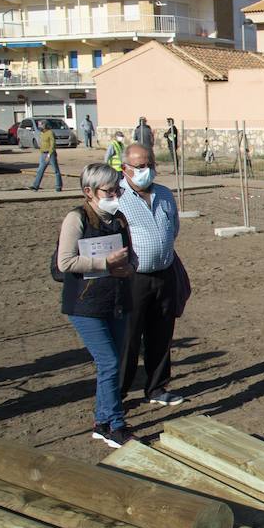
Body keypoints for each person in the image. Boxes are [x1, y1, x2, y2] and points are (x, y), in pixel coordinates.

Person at [58, 164, 134, 446]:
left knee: (113, 363)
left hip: (116, 300)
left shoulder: (119, 219)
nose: (115, 195)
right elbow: (64, 262)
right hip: (85, 303)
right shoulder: (76, 219)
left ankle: (102, 420)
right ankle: (115, 424)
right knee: (109, 362)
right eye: (109, 190)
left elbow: (130, 254)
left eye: (117, 189)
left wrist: (129, 267)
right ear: (89, 192)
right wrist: (105, 263)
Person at [117, 144, 184, 406]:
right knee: (129, 338)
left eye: (150, 165)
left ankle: (157, 387)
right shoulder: (118, 199)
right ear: (125, 169)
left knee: (162, 334)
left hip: (164, 273)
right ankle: (119, 393)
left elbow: (173, 228)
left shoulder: (165, 194)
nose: (147, 170)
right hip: (133, 277)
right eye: (140, 167)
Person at [30, 120, 63, 192]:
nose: (40, 126)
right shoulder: (42, 133)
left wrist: (49, 154)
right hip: (43, 154)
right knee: (40, 170)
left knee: (56, 170)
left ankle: (58, 186)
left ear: (46, 125)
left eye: (41, 125)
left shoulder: (50, 132)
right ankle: (35, 186)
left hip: (50, 154)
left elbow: (52, 144)